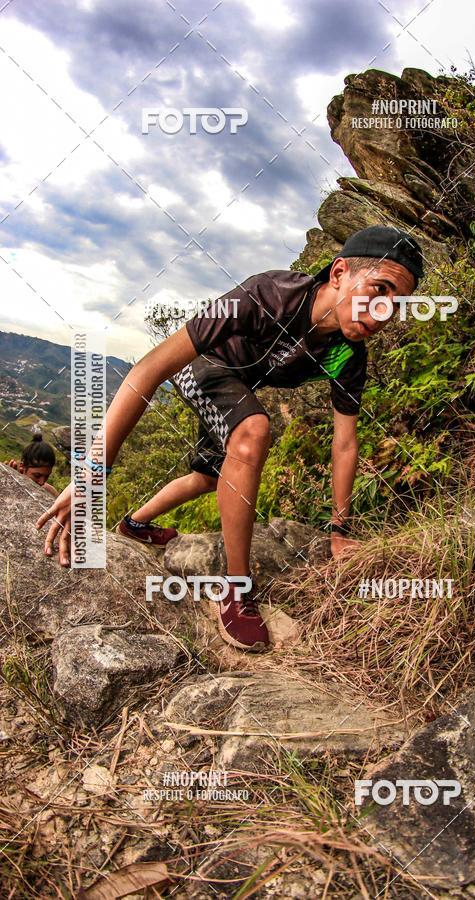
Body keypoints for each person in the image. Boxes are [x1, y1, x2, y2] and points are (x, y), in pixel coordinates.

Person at [36, 225, 424, 652]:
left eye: (398, 304)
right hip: (201, 367)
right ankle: (236, 589)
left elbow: (345, 443)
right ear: (339, 273)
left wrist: (339, 528)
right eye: (380, 289)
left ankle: (134, 524)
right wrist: (91, 477)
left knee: (213, 475)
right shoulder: (268, 295)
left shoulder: (347, 353)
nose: (385, 312)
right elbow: (147, 370)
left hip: (236, 390)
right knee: (253, 432)